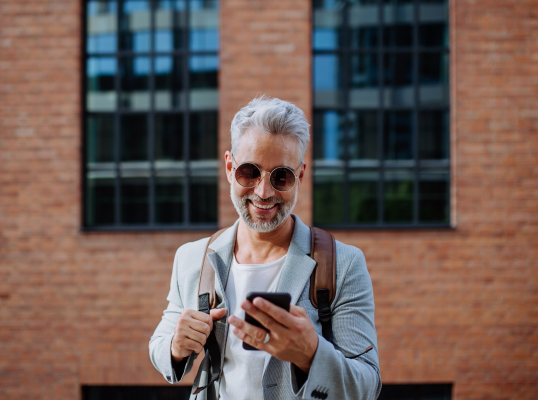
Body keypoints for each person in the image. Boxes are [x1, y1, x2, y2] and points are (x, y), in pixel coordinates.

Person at [149, 96, 381, 400]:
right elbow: (161, 345)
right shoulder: (192, 259)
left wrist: (311, 354)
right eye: (250, 172)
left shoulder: (343, 264)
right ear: (230, 167)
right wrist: (176, 348)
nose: (263, 191)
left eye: (281, 176)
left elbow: (367, 385)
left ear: (300, 175)